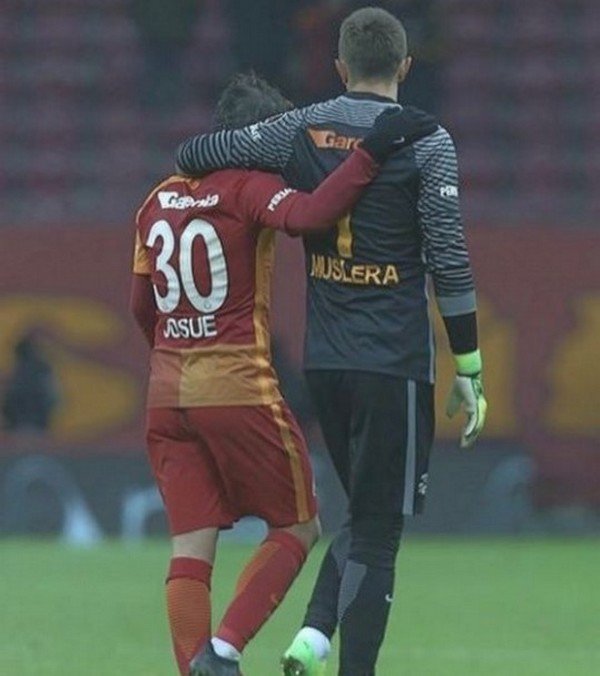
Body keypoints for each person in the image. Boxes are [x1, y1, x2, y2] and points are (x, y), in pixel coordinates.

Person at [175, 7, 488, 676]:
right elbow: (449, 258)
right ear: (406, 66)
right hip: (393, 361)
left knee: (364, 512)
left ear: (341, 67)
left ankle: (313, 637)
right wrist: (469, 364)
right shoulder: (427, 140)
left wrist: (262, 181)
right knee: (379, 528)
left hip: (327, 360)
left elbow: (196, 155)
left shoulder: (299, 128)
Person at [131, 72, 437, 676]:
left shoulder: (156, 199)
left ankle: (195, 669)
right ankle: (223, 651)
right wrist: (372, 152)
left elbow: (143, 307)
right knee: (298, 525)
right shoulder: (249, 185)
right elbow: (314, 214)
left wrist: (175, 355)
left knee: (190, 548)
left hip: (165, 393)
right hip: (236, 384)